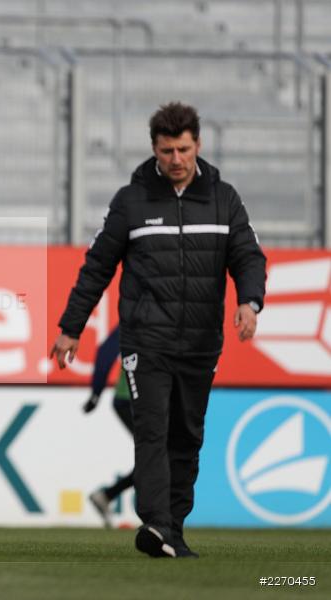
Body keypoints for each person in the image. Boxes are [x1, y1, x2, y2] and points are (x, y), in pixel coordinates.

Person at [50, 102, 266, 558]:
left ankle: (174, 529)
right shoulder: (131, 201)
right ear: (154, 149)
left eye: (183, 149)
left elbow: (248, 257)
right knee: (152, 431)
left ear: (198, 146)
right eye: (167, 150)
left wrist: (250, 301)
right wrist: (72, 327)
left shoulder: (224, 199)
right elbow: (96, 268)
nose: (175, 159)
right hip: (146, 342)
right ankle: (156, 523)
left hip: (201, 342)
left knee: (187, 437)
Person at [83, 326, 134, 528]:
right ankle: (158, 518)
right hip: (130, 399)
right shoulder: (140, 312)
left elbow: (106, 351)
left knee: (159, 456)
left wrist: (96, 394)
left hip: (146, 400)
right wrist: (96, 392)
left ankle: (106, 495)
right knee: (158, 456)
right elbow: (106, 352)